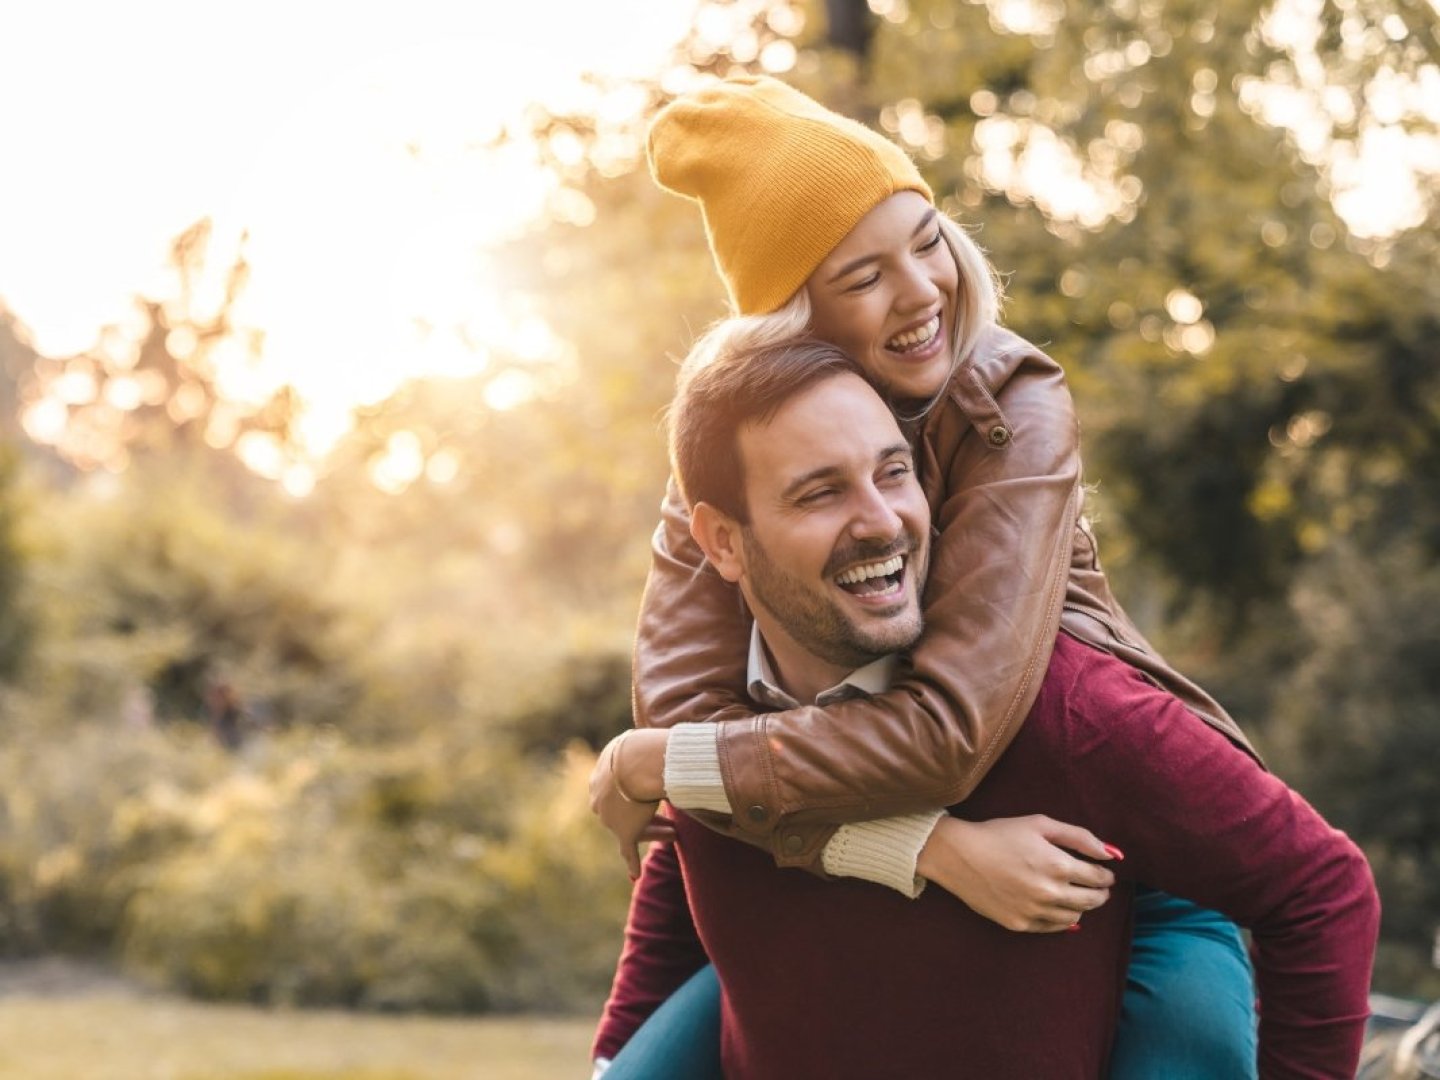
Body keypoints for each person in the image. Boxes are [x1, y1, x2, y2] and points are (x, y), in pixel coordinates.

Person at [586, 75, 1267, 1076]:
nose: (921, 291)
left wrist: (653, 763)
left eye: (927, 237)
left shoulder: (1012, 405)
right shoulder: (735, 457)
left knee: (1192, 1045)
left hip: (1107, 835)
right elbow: (699, 727)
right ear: (793, 323)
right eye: (861, 277)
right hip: (845, 831)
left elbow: (947, 731)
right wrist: (929, 850)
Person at [593, 337, 1378, 1077]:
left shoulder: (1070, 710)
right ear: (722, 543)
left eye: (893, 472)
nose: (880, 521)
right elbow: (697, 875)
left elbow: (1321, 890)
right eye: (820, 492)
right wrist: (933, 849)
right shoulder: (709, 722)